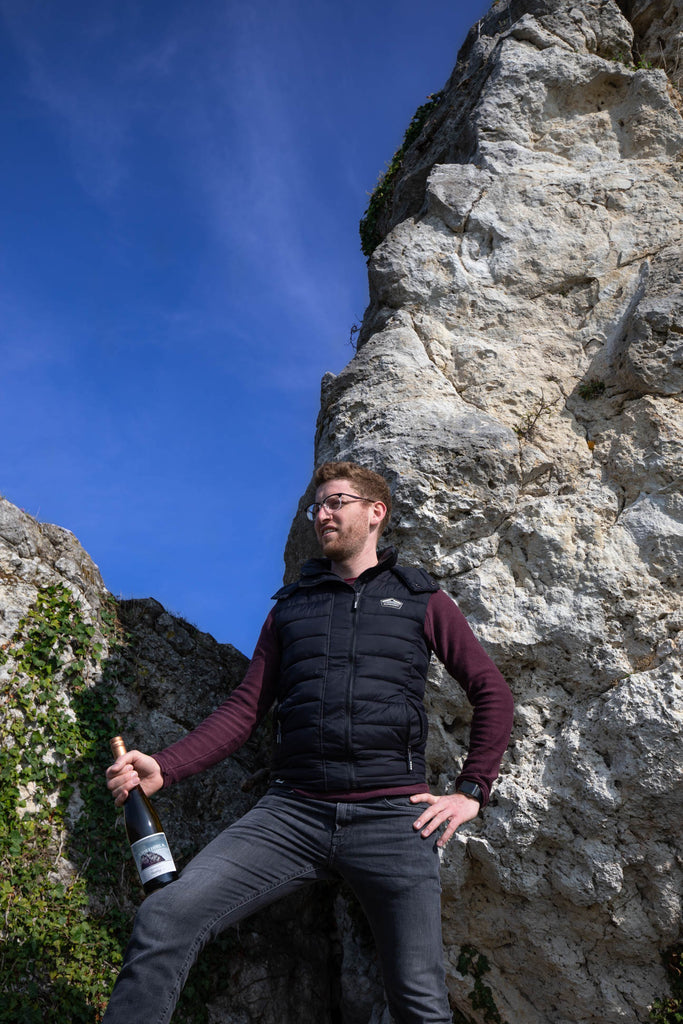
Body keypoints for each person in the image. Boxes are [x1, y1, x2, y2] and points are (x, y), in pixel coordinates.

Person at [103, 461, 514, 1024]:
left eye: (335, 501)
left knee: (419, 999)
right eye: (315, 505)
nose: (321, 513)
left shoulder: (422, 599)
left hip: (394, 818)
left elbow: (491, 691)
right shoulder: (291, 608)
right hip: (292, 813)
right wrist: (165, 768)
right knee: (165, 918)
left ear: (375, 513)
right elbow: (245, 709)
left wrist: (471, 791)